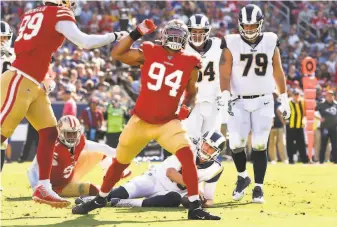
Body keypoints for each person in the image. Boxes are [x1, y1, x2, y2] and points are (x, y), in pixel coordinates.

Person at [72, 19, 221, 220]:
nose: (176, 39)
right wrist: (137, 32)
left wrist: (186, 107)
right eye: (172, 34)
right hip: (140, 121)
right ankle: (101, 198)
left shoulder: (191, 62)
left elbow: (192, 92)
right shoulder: (150, 51)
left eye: (179, 35)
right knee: (119, 163)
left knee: (187, 156)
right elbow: (116, 53)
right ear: (164, 36)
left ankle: (194, 207)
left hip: (167, 123)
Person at [0, 0, 128, 208]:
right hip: (21, 79)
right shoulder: (58, 13)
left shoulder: (31, 13)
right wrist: (114, 36)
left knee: (50, 133)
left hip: (34, 82)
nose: (72, 5)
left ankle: (43, 186)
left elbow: (36, 46)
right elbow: (84, 42)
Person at [219, 4, 291, 203]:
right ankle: (243, 177)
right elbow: (224, 71)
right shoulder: (231, 42)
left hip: (264, 99)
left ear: (260, 24)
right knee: (235, 143)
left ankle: (259, 187)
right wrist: (225, 94)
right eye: (246, 26)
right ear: (240, 25)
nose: (249, 30)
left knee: (259, 144)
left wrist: (284, 99)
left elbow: (278, 71)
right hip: (238, 100)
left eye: (253, 26)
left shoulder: (270, 40)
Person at [76, 131, 225, 209]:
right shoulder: (188, 147)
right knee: (120, 192)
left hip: (170, 192)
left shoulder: (216, 168)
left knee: (175, 199)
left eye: (211, 148)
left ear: (216, 153)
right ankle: (92, 200)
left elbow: (210, 199)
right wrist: (195, 188)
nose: (206, 148)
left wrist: (204, 202)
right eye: (205, 144)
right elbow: (171, 173)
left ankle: (122, 203)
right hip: (155, 178)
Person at [27, 115, 131, 197]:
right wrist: (38, 188)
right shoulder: (52, 145)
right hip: (58, 187)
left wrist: (119, 154)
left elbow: (100, 147)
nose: (72, 137)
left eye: (74, 134)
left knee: (99, 152)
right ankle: (112, 192)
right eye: (68, 134)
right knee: (93, 189)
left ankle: (111, 173)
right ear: (59, 132)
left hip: (71, 174)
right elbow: (33, 169)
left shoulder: (80, 141)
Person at [182, 14, 224, 142]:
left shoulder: (218, 45)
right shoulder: (183, 48)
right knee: (190, 141)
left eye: (201, 32)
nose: (197, 35)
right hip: (191, 102)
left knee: (211, 143)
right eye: (194, 31)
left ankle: (211, 163)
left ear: (207, 32)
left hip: (213, 100)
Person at [1, 21, 15, 188]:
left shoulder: (14, 54)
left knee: (2, 142)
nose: (2, 41)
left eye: (5, 38)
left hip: (5, 103)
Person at [286, 89, 308, 164]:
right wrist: (285, 121)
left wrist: (304, 120)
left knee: (301, 144)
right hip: (291, 126)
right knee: (290, 144)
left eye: (298, 95)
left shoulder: (302, 102)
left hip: (299, 126)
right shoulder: (288, 103)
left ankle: (304, 160)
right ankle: (291, 160)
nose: (296, 96)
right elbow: (281, 112)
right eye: (295, 95)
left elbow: (306, 113)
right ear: (292, 95)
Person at [316, 90, 337, 164]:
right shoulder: (322, 104)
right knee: (323, 144)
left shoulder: (336, 104)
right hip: (325, 128)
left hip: (334, 128)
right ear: (326, 96)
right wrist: (319, 118)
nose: (330, 97)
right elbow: (313, 111)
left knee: (335, 145)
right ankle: (321, 161)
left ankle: (335, 161)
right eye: (328, 95)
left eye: (331, 95)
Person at [268, 93, 288, 164]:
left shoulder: (280, 103)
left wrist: (284, 120)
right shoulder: (268, 103)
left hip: (279, 125)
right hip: (271, 126)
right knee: (271, 144)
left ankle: (284, 159)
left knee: (281, 143)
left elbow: (285, 112)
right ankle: (273, 159)